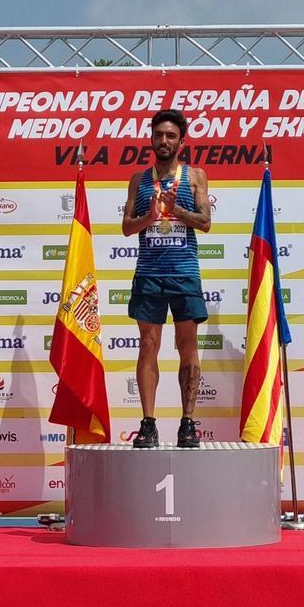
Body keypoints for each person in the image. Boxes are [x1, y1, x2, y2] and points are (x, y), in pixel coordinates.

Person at [121, 109, 212, 449]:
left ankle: (188, 423)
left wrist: (177, 211)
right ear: (151, 139)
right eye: (159, 135)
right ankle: (148, 424)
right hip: (149, 274)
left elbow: (205, 222)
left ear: (181, 142)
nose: (164, 141)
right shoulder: (139, 180)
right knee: (148, 346)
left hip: (184, 274)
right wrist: (151, 215)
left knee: (187, 348)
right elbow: (127, 228)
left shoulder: (195, 177)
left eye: (171, 136)